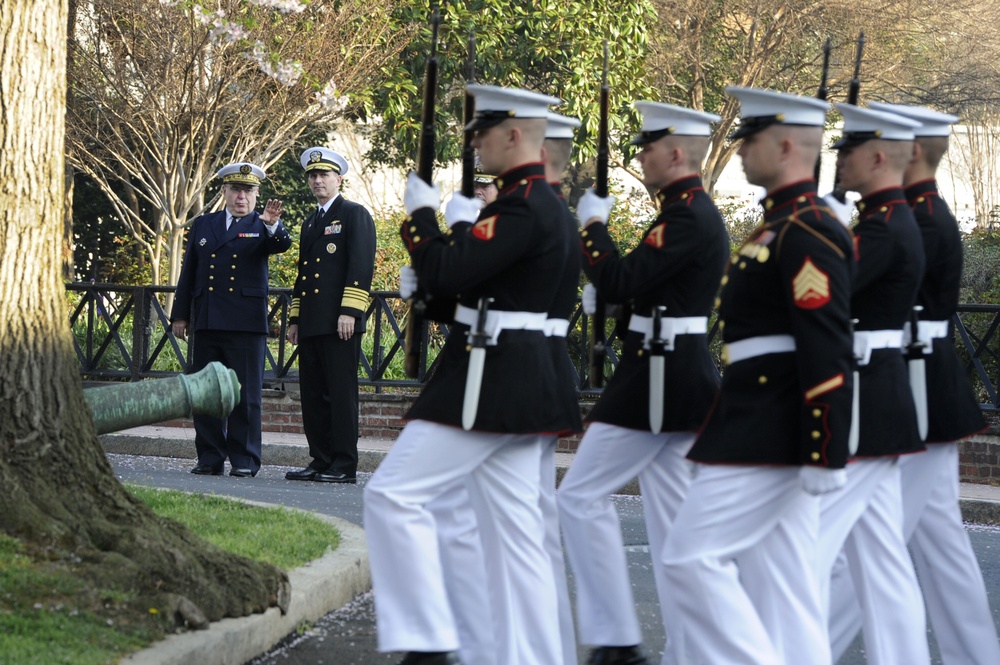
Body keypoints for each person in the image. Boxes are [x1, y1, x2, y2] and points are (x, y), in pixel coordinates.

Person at [363, 84, 569, 665]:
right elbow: (485, 292)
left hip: (491, 380)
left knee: (394, 496)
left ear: (512, 136)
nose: (475, 142)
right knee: (515, 539)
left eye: (484, 132)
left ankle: (428, 641)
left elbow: (451, 271)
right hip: (515, 380)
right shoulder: (538, 203)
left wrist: (424, 218)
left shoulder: (523, 205)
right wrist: (438, 283)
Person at [660, 87, 855, 665]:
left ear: (788, 144)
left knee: (689, 559)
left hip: (769, 423)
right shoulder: (785, 222)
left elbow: (827, 345)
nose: (741, 150)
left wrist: (825, 446)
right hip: (759, 415)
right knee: (786, 583)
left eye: (752, 139)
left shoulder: (809, 229)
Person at [827, 103, 999, 664]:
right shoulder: (921, 212)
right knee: (935, 542)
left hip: (917, 389)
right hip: (926, 384)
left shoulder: (918, 218)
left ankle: (801, 646)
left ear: (913, 152)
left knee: (874, 542)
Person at [557, 101, 728, 665]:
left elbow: (623, 276)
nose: (640, 157)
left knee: (579, 497)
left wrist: (594, 227)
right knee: (678, 535)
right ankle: (698, 652)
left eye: (648, 148)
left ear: (676, 152)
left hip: (660, 379)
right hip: (668, 373)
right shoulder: (684, 212)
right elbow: (645, 290)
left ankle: (616, 640)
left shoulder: (686, 216)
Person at [814, 103, 931, 665]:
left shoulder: (884, 227)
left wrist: (826, 232)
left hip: (864, 401)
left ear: (878, 157)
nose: (839, 160)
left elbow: (837, 289)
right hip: (877, 398)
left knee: (805, 546)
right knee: (881, 562)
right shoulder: (881, 221)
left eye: (848, 150)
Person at [171, 162, 291, 477]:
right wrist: (180, 315)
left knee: (245, 395)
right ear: (224, 192)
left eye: (248, 191)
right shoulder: (204, 224)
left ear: (256, 195)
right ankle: (210, 457)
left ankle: (245, 460)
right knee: (207, 393)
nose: (242, 197)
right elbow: (189, 272)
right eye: (236, 190)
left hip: (245, 323)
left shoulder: (262, 224)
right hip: (208, 319)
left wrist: (271, 225)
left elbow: (281, 244)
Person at [284, 147, 376, 484]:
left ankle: (344, 464)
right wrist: (295, 319)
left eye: (324, 174)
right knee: (313, 395)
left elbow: (360, 266)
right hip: (312, 322)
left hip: (340, 323)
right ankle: (320, 459)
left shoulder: (354, 214)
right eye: (312, 175)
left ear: (339, 178)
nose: (317, 180)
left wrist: (349, 312)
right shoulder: (311, 221)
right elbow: (303, 274)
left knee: (340, 395)